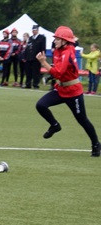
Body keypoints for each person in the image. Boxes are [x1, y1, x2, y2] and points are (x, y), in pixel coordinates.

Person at [35, 26, 100, 157]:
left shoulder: (67, 52)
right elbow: (58, 69)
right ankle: (55, 125)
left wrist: (43, 62)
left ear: (64, 41)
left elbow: (58, 72)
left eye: (58, 39)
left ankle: (96, 144)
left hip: (73, 92)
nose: (55, 41)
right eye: (56, 38)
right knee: (40, 105)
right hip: (61, 89)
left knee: (82, 119)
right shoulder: (59, 50)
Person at [26, 24, 47, 89]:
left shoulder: (42, 37)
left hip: (37, 57)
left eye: (35, 30)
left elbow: (43, 48)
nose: (34, 31)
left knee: (36, 71)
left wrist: (43, 56)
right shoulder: (30, 38)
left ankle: (35, 84)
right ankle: (28, 84)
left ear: (37, 30)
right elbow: (28, 47)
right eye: (33, 30)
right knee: (28, 71)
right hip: (29, 57)